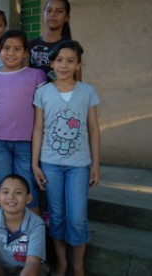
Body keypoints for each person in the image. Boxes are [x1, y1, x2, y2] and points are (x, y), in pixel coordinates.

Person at [32, 40, 100, 276]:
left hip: (79, 166)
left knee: (77, 217)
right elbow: (38, 129)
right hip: (50, 164)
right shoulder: (43, 92)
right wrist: (35, 164)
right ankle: (61, 263)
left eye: (70, 60)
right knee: (57, 216)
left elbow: (93, 129)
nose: (64, 65)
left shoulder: (88, 92)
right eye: (59, 60)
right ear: (51, 63)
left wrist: (95, 165)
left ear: (78, 64)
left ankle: (78, 265)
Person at [0, 30, 47, 214]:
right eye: (6, 48)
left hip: (26, 142)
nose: (11, 53)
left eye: (17, 49)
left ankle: (33, 237)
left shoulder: (36, 76)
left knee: (27, 188)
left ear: (26, 52)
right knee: (5, 188)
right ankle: (9, 236)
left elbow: (41, 112)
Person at [0, 174, 46, 276]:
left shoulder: (36, 223)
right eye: (5, 192)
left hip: (26, 268)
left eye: (18, 192)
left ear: (29, 198)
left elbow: (32, 262)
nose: (11, 197)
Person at [28, 0, 82, 81]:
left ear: (67, 18)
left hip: (60, 93)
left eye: (59, 11)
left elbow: (78, 83)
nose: (52, 14)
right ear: (43, 14)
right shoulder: (30, 45)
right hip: (34, 93)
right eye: (49, 10)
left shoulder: (71, 47)